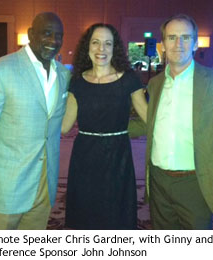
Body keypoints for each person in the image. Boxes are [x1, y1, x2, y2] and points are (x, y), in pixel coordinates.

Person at [0, 12, 71, 229]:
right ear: (30, 34)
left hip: (45, 185)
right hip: (6, 186)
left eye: (59, 36)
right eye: (47, 34)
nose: (54, 41)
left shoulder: (63, 75)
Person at [129, 14, 213, 229]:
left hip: (196, 183)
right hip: (158, 181)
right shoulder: (155, 83)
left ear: (195, 43)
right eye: (171, 37)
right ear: (162, 45)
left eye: (185, 37)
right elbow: (151, 122)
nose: (178, 44)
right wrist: (107, 127)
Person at [61, 23, 148, 229]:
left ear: (114, 48)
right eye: (96, 42)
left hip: (118, 155)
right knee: (85, 211)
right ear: (87, 47)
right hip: (85, 156)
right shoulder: (77, 82)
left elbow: (148, 118)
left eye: (107, 44)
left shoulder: (128, 80)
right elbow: (64, 126)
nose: (101, 49)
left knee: (115, 213)